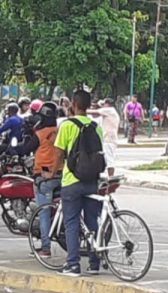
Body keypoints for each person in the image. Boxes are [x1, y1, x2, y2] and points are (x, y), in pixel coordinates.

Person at [44, 90, 103, 277]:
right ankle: (94, 263)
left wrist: (52, 173)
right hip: (92, 180)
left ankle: (73, 264)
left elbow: (59, 153)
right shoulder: (96, 126)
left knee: (71, 223)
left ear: (74, 105)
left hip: (72, 180)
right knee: (92, 221)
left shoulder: (67, 125)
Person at [15, 102, 60, 257]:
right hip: (60, 174)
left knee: (43, 213)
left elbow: (25, 149)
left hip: (44, 177)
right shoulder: (59, 131)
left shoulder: (40, 134)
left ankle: (45, 248)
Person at [87, 98, 120, 176]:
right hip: (108, 139)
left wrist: (82, 109)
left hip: (109, 139)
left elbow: (94, 112)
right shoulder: (110, 112)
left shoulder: (109, 110)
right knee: (105, 159)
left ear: (107, 104)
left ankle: (111, 177)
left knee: (109, 160)